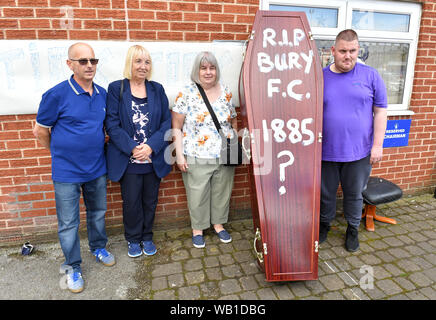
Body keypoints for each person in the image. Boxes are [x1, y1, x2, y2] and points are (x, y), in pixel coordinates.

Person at [33, 42, 115, 294]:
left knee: (97, 212)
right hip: (66, 172)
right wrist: (59, 153)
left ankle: (98, 246)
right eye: (83, 61)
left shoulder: (102, 93)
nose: (89, 65)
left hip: (96, 168)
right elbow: (40, 131)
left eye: (93, 60)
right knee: (68, 223)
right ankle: (72, 266)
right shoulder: (56, 95)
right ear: (70, 64)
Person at [320, 29, 388, 252]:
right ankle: (324, 225)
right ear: (333, 51)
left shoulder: (371, 76)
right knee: (325, 193)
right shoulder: (319, 77)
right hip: (325, 151)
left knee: (354, 193)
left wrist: (377, 145)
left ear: (358, 50)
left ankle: (352, 229)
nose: (347, 56)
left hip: (359, 152)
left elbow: (380, 112)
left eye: (352, 51)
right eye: (342, 51)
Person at [105, 45, 171, 258]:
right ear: (129, 63)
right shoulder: (117, 88)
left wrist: (151, 146)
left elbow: (166, 122)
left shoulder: (157, 89)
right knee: (132, 202)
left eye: (147, 62)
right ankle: (133, 239)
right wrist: (133, 148)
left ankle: (147, 236)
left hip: (152, 158)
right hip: (129, 159)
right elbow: (112, 124)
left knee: (150, 201)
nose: (143, 66)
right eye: (138, 61)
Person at [172, 51, 237, 248]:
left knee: (221, 191)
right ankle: (198, 229)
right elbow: (176, 126)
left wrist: (233, 143)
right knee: (197, 193)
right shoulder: (187, 93)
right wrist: (180, 155)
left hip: (223, 154)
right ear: (197, 71)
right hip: (196, 153)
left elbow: (233, 119)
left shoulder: (226, 92)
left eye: (212, 68)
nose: (208, 72)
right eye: (203, 68)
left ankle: (218, 225)